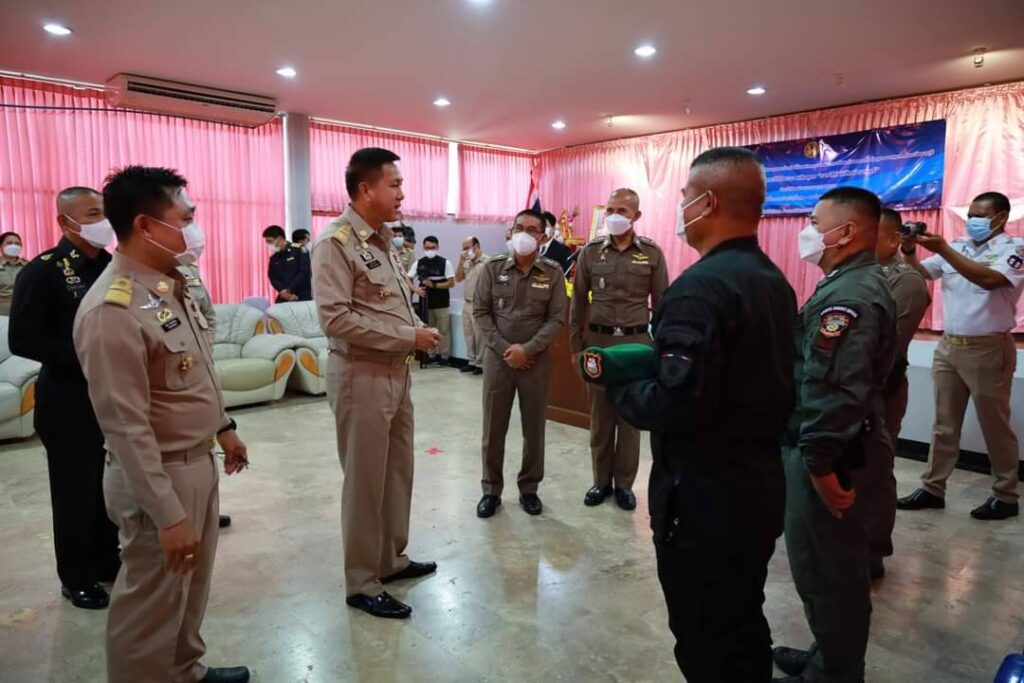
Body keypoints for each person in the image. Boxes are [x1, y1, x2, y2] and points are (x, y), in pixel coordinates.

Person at [606, 148, 797, 681]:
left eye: (685, 197)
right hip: (756, 488)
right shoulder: (772, 280)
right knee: (742, 620)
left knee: (706, 635)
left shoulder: (698, 288)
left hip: (704, 501)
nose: (681, 207)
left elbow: (675, 402)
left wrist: (618, 387)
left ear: (707, 202)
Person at [74, 165, 250, 683]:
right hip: (159, 477)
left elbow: (194, 371)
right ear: (146, 226)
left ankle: (184, 670)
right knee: (150, 603)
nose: (194, 229)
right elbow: (126, 428)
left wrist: (223, 427)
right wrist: (168, 515)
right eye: (185, 219)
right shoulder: (113, 310)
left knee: (188, 591)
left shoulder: (169, 286)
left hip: (197, 461)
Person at [772, 187, 896, 683]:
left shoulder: (850, 296)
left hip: (836, 451)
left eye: (814, 222)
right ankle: (827, 654)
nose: (807, 231)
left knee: (830, 571)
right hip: (838, 442)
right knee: (823, 566)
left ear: (844, 232)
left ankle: (836, 673)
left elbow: (836, 389)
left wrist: (821, 466)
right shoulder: (847, 282)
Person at [312, 147, 441, 619]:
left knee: (397, 473)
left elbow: (388, 303)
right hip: (360, 375)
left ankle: (390, 558)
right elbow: (335, 319)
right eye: (395, 184)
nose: (402, 193)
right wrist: (409, 336)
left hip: (396, 373)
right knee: (366, 481)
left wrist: (414, 333)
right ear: (365, 189)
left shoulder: (384, 240)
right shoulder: (335, 243)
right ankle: (362, 581)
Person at [8, 188, 121, 610]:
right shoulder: (43, 271)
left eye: (104, 213)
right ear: (65, 221)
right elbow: (22, 339)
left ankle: (107, 560)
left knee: (107, 485)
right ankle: (76, 576)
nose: (102, 221)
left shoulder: (113, 266)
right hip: (68, 397)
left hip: (112, 395)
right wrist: (86, 357)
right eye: (92, 214)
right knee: (75, 490)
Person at [896, 191, 1023, 520]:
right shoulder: (959, 245)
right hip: (949, 347)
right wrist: (908, 249)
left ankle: (1006, 495)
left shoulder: (1014, 249)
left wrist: (944, 250)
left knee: (995, 425)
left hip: (988, 348)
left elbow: (990, 279)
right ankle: (933, 488)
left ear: (1001, 218)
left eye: (980, 215)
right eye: (970, 215)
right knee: (944, 424)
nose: (972, 221)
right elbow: (919, 274)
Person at [571, 189, 668, 511]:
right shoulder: (590, 252)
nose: (614, 215)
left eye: (622, 210)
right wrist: (576, 348)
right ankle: (601, 482)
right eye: (610, 209)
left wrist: (661, 352)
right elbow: (577, 304)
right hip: (599, 345)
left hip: (636, 345)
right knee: (600, 419)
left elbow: (663, 305)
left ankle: (624, 485)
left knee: (629, 421)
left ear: (636, 216)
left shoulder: (651, 253)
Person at [473, 209, 567, 518]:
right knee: (493, 428)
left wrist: (528, 350)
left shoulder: (552, 272)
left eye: (531, 229)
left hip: (535, 363)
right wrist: (506, 350)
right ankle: (491, 490)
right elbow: (481, 313)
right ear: (511, 231)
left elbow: (556, 319)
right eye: (518, 228)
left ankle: (529, 488)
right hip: (498, 361)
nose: (523, 234)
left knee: (534, 429)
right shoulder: (493, 268)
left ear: (542, 236)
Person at [864, 208, 931, 579]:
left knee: (875, 468)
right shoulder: (854, 273)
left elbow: (888, 349)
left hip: (880, 389)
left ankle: (873, 550)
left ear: (893, 239)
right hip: (850, 388)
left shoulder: (905, 281)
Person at [178, 262, 234, 530]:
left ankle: (206, 509)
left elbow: (209, 316)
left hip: (198, 372)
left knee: (204, 449)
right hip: (170, 382)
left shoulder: (190, 271)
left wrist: (201, 349)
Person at [409, 235, 455, 366]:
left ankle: (444, 356)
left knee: (443, 330)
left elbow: (451, 283)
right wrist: (415, 289)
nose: (430, 250)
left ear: (437, 247)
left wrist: (434, 285)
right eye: (427, 248)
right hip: (426, 303)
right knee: (428, 329)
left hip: (442, 303)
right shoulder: (419, 262)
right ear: (423, 247)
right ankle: (431, 354)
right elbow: (407, 277)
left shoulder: (445, 263)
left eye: (432, 248)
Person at [455, 236, 488, 375]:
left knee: (480, 336)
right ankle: (471, 361)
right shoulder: (467, 262)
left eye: (467, 248)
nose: (465, 251)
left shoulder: (487, 262)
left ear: (477, 247)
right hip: (467, 303)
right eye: (463, 248)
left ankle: (481, 364)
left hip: (480, 304)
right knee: (469, 334)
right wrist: (461, 261)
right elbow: (458, 278)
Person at [263, 224, 312, 303]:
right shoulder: (274, 257)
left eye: (270, 241)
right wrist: (283, 291)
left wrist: (289, 289)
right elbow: (273, 277)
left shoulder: (299, 249)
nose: (268, 244)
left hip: (302, 295)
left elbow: (304, 272)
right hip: (284, 296)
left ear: (280, 238)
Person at [0, 231, 28, 315]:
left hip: (24, 309)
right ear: (1, 246)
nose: (14, 246)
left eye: (17, 244)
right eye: (9, 243)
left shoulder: (28, 266)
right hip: (2, 311)